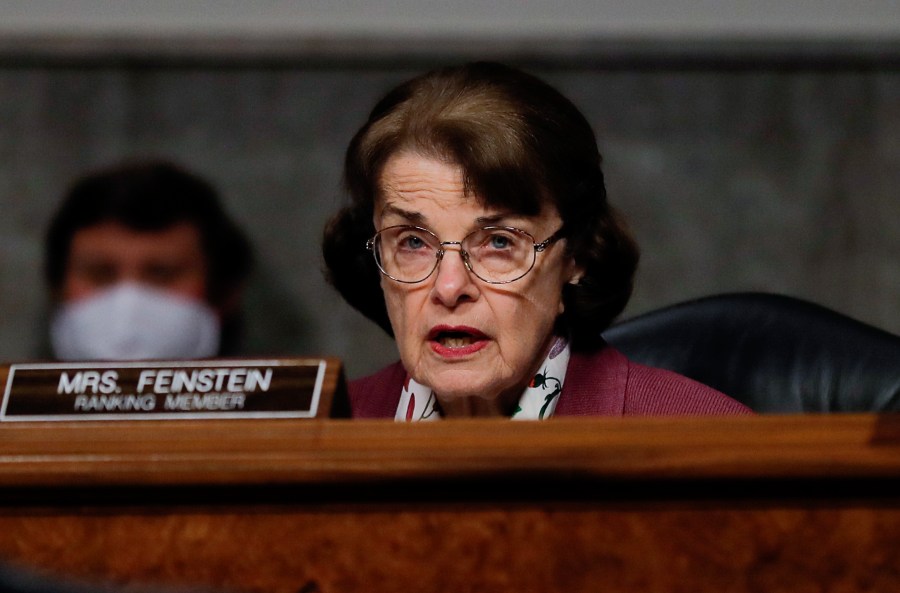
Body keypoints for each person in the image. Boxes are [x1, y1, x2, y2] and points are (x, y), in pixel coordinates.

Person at [322, 61, 752, 419]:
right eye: (413, 242)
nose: (449, 288)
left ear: (577, 255)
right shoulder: (322, 438)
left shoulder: (707, 439)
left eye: (499, 243)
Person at [44, 159, 254, 361]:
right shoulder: (10, 395)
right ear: (57, 288)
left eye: (161, 274)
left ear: (225, 293)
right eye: (100, 274)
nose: (128, 304)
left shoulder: (278, 398)